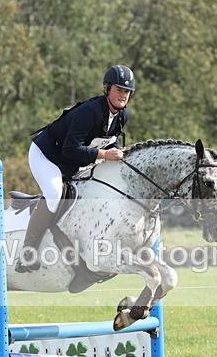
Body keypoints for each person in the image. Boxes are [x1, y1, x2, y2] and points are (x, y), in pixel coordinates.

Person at [15, 65, 135, 273]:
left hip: (70, 160)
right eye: (118, 89)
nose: (123, 95)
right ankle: (27, 253)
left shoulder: (122, 115)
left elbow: (109, 141)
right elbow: (71, 148)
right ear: (107, 89)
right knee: (54, 193)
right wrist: (105, 155)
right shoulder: (90, 111)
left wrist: (118, 151)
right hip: (47, 154)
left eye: (126, 91)